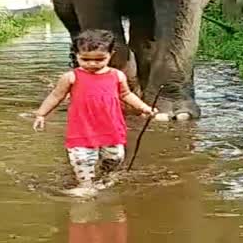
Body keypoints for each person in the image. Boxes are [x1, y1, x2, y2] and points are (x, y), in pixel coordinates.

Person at [33, 29, 156, 196]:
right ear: (76, 55)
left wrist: (144, 107)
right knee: (82, 159)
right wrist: (41, 114)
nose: (92, 64)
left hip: (111, 129)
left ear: (111, 55)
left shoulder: (117, 76)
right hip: (81, 130)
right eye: (85, 59)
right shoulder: (71, 77)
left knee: (114, 158)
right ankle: (86, 185)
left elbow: (126, 94)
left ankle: (106, 179)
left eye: (99, 59)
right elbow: (56, 96)